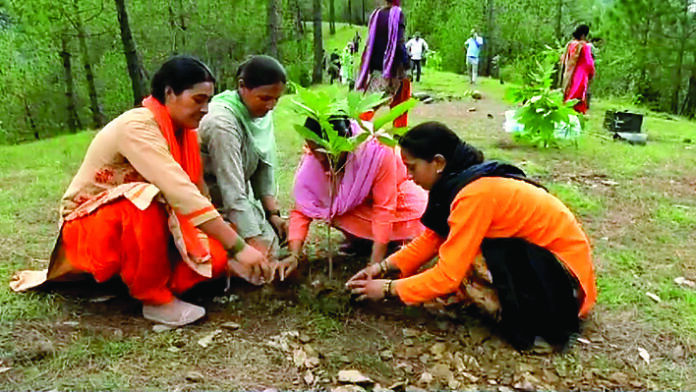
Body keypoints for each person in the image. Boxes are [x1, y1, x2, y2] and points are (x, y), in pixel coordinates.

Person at [10, 57, 272, 326]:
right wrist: (238, 247)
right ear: (170, 93)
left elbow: (198, 197)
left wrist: (231, 255)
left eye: (208, 100)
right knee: (141, 198)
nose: (206, 109)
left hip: (152, 229)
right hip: (91, 229)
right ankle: (154, 298)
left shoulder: (186, 134)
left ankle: (158, 279)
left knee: (213, 258)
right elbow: (179, 191)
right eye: (198, 99)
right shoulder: (136, 126)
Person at [347, 122, 597, 351]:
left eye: (412, 168)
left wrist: (388, 289)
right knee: (460, 251)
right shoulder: (462, 183)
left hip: (566, 286)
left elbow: (447, 276)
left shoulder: (473, 195)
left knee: (466, 262)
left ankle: (534, 319)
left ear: (438, 162)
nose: (409, 177)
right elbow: (433, 239)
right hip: (550, 266)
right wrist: (382, 268)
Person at [282, 116, 428, 279]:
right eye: (315, 152)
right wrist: (294, 255)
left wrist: (375, 265)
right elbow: (303, 207)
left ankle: (390, 243)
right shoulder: (315, 157)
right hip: (364, 208)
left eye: (326, 154)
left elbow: (384, 208)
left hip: (400, 203)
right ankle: (363, 243)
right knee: (332, 206)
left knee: (399, 227)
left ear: (347, 143)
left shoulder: (376, 150)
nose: (320, 160)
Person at [198, 55, 288, 262]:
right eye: (265, 98)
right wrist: (253, 240)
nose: (271, 106)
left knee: (274, 247)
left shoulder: (259, 113)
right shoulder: (222, 124)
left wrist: (273, 213)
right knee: (260, 256)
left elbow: (264, 163)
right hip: (212, 205)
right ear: (242, 86)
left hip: (240, 201)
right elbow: (231, 189)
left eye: (276, 99)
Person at [355, 0, 411, 128]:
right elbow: (398, 41)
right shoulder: (397, 14)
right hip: (393, 69)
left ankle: (354, 129)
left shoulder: (376, 14)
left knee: (372, 103)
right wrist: (407, 64)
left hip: (376, 65)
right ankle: (354, 130)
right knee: (399, 105)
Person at [560, 24, 596, 114]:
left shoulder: (570, 45)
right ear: (583, 35)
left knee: (568, 93)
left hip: (569, 74)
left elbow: (563, 59)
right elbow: (589, 62)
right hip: (581, 74)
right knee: (578, 96)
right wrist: (592, 73)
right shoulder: (584, 46)